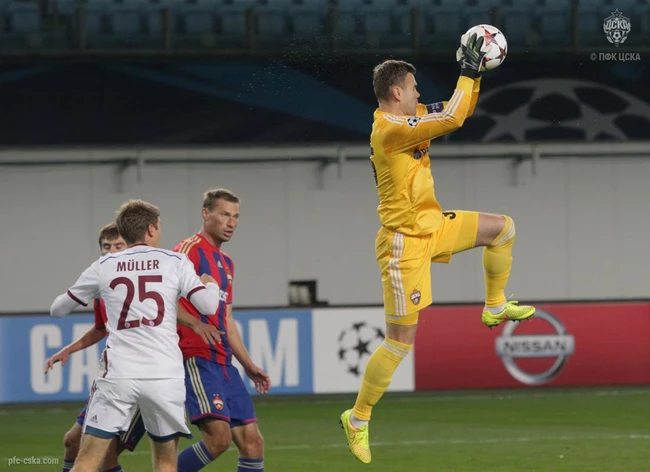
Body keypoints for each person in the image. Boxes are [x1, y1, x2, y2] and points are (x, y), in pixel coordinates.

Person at [339, 34, 536, 464]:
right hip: (403, 244)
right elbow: (452, 118)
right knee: (399, 343)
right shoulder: (390, 129)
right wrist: (468, 69)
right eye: (413, 88)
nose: (418, 93)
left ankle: (495, 305)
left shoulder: (410, 118)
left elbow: (455, 108)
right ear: (396, 92)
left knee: (503, 229)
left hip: (432, 225)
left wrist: (474, 76)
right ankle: (357, 418)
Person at [50, 199, 223, 472]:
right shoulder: (176, 261)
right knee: (166, 463)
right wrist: (210, 284)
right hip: (164, 375)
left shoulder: (105, 265)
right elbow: (209, 306)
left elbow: (58, 310)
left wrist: (84, 292)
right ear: (151, 229)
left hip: (119, 375)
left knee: (87, 462)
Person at [174, 188, 271, 472]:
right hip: (197, 357)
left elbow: (226, 318)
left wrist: (248, 364)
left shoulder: (226, 263)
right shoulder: (188, 251)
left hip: (224, 362)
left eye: (236, 216)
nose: (231, 223)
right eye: (224, 214)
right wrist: (195, 324)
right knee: (218, 440)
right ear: (206, 214)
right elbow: (163, 301)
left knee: (253, 442)